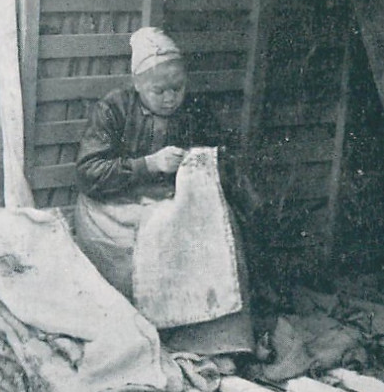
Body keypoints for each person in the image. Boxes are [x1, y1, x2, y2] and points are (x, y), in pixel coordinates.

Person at [75, 27, 255, 356]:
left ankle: (216, 341)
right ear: (138, 85)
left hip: (172, 202)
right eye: (160, 91)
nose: (171, 98)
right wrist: (149, 164)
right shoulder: (113, 109)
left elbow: (223, 157)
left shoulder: (195, 109)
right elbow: (89, 173)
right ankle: (147, 338)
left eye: (178, 88)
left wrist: (201, 162)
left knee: (218, 229)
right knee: (147, 244)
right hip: (116, 206)